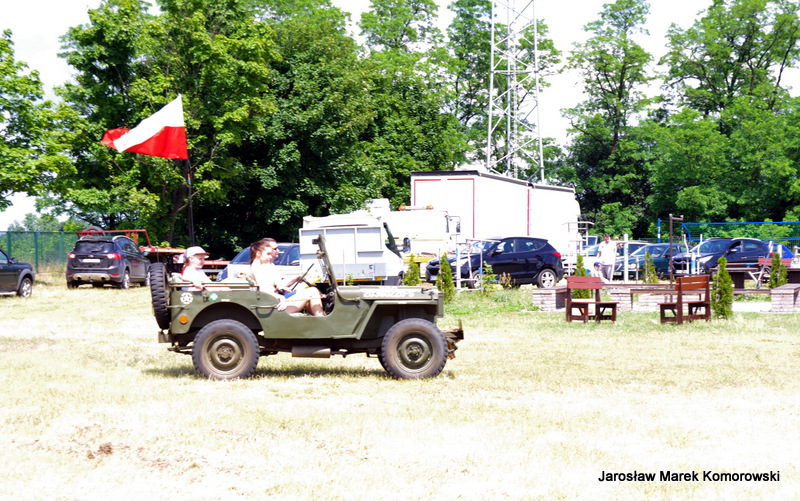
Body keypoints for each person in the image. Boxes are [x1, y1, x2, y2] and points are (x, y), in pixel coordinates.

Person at [249, 238, 324, 316]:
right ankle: (322, 319)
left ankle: (318, 319)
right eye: (268, 254)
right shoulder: (257, 268)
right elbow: (263, 291)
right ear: (258, 254)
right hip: (273, 307)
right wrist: (281, 298)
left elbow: (273, 285)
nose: (270, 256)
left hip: (273, 303)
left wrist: (287, 285)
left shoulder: (262, 267)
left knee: (311, 294)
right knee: (313, 291)